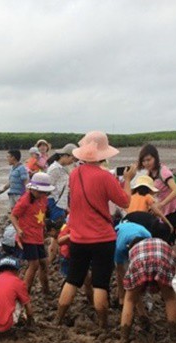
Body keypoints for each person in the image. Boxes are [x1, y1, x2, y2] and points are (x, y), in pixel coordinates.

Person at [55, 131, 134, 329]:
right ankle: (102, 324)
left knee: (72, 279)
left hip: (78, 238)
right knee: (100, 283)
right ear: (103, 153)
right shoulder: (106, 177)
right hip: (102, 239)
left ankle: (58, 319)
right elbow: (125, 202)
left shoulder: (74, 174)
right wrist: (128, 181)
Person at [120, 237, 176, 343]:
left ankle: (124, 339)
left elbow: (135, 286)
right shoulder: (162, 242)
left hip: (139, 262)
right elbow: (173, 265)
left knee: (129, 300)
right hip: (162, 258)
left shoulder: (133, 251)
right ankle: (174, 340)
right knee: (170, 298)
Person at [10, 172, 55, 295]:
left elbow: (42, 213)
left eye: (44, 192)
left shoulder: (44, 198)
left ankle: (46, 291)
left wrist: (44, 225)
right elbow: (13, 216)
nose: (42, 194)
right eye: (40, 192)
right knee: (33, 265)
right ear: (32, 189)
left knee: (44, 263)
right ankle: (24, 292)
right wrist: (18, 229)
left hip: (38, 236)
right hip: (27, 236)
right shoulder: (24, 200)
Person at [137, 144, 176, 243]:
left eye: (149, 160)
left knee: (169, 239)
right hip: (162, 211)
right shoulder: (149, 173)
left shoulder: (163, 171)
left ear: (155, 158)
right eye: (144, 161)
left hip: (174, 210)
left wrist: (161, 204)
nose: (146, 163)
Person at [114, 221, 152, 307]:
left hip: (137, 229)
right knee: (120, 273)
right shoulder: (120, 247)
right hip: (119, 232)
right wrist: (131, 285)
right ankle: (121, 297)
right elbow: (120, 269)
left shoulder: (148, 237)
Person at [47, 143, 77, 223]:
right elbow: (48, 187)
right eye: (72, 158)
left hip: (60, 204)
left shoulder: (64, 168)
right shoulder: (55, 169)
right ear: (64, 156)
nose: (73, 161)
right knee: (56, 227)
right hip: (54, 203)